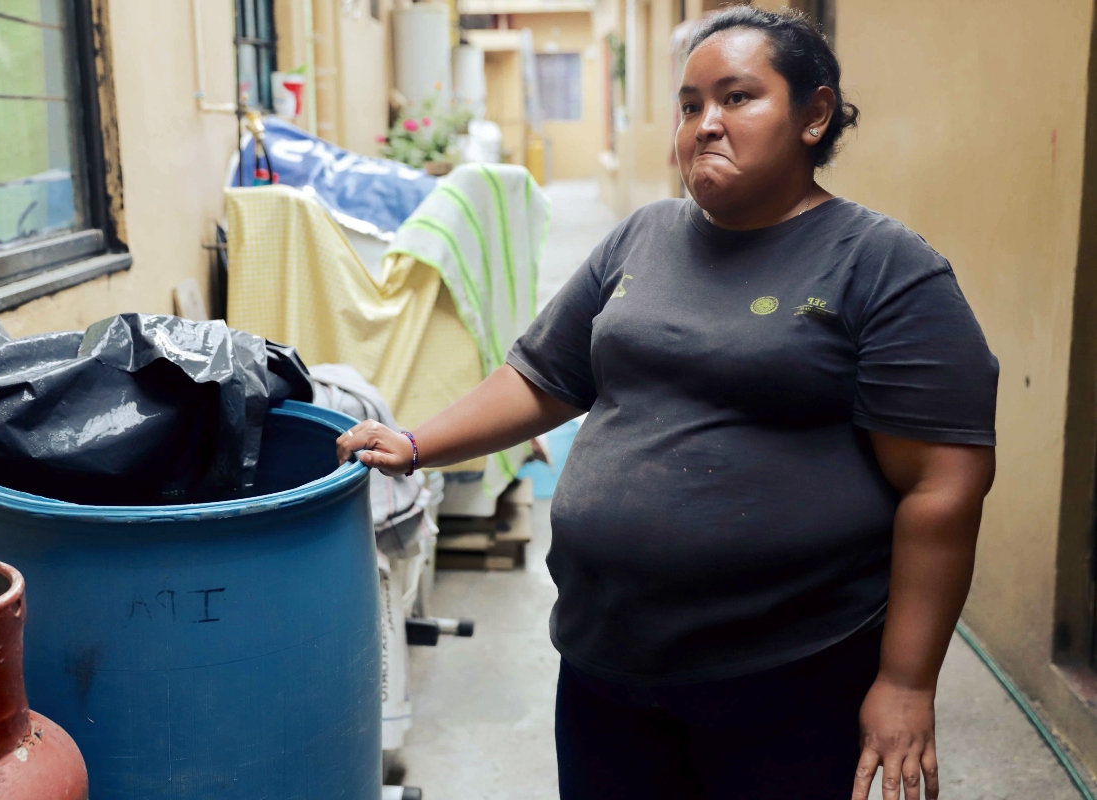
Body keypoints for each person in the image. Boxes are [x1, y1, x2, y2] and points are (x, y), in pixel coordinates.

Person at [337, 7, 997, 799]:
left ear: (814, 115)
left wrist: (906, 682)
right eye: (690, 105)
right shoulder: (641, 238)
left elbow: (943, 487)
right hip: (605, 667)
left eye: (737, 98)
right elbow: (543, 376)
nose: (706, 125)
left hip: (788, 678)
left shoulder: (882, 267)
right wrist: (415, 445)